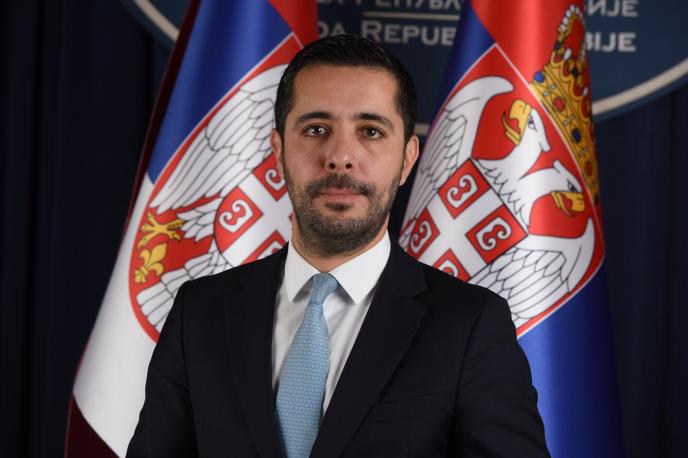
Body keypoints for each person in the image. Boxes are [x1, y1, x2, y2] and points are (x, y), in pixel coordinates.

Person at [127, 34, 549, 458]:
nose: (340, 156)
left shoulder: (470, 325)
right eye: (316, 129)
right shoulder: (199, 313)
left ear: (407, 159)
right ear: (279, 151)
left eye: (370, 131)